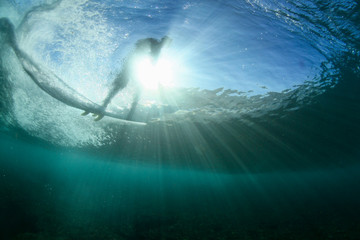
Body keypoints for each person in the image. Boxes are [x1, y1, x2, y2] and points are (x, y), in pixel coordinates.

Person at [85, 36, 172, 121]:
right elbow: (138, 45)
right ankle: (104, 105)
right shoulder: (152, 41)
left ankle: (131, 111)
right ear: (163, 40)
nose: (165, 45)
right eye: (166, 43)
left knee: (139, 88)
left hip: (139, 68)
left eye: (167, 44)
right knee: (121, 84)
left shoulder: (157, 50)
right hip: (131, 64)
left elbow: (153, 65)